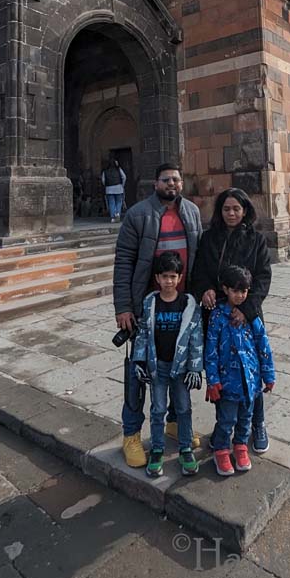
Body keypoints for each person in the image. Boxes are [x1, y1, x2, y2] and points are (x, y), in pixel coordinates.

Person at [113, 162, 203, 467]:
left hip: (182, 306)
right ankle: (131, 435)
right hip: (146, 309)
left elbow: (198, 256)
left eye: (177, 179)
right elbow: (124, 261)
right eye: (167, 180)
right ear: (156, 183)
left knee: (177, 368)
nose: (173, 184)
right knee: (138, 374)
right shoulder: (138, 214)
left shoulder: (190, 211)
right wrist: (124, 306)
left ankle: (175, 423)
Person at [192, 187, 272, 453]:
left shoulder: (256, 240)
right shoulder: (209, 238)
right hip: (217, 317)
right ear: (220, 211)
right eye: (226, 209)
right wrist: (205, 289)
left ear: (245, 210)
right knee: (221, 371)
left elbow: (262, 278)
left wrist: (247, 309)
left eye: (236, 208)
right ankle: (223, 424)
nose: (231, 213)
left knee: (252, 370)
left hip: (245, 316)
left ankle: (257, 424)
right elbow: (199, 271)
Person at [132, 251, 203, 478]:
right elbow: (143, 333)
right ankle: (157, 448)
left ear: (180, 278)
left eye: (173, 276)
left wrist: (195, 367)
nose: (169, 281)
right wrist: (139, 361)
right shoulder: (150, 302)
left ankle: (185, 446)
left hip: (181, 368)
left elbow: (196, 337)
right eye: (165, 277)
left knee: (183, 408)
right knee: (158, 409)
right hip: (157, 367)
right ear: (157, 278)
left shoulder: (188, 304)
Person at [205, 264, 275, 476]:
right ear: (225, 289)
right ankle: (221, 450)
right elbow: (211, 350)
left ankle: (240, 446)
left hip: (250, 380)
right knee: (226, 420)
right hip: (227, 381)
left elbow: (263, 345)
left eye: (244, 291)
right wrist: (212, 380)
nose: (240, 296)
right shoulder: (217, 316)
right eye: (236, 291)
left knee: (246, 418)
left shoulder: (251, 316)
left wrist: (268, 374)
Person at [101, 156, 126, 222]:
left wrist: (106, 185)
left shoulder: (105, 171)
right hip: (118, 188)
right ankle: (117, 214)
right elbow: (124, 177)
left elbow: (103, 180)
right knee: (119, 202)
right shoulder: (119, 169)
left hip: (109, 189)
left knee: (111, 203)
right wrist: (122, 185)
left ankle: (112, 217)